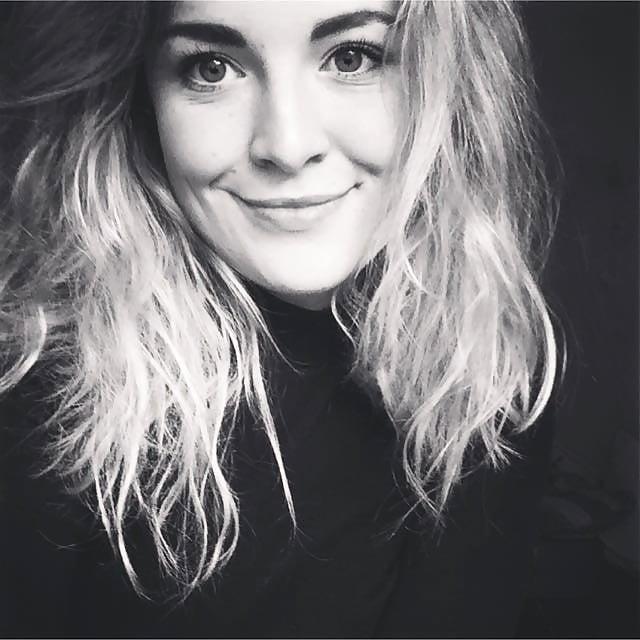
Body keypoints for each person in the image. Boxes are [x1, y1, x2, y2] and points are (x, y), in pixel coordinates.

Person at [0, 1, 561, 637]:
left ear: (449, 78)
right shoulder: (45, 403)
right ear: (141, 103)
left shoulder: (500, 355)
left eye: (352, 57)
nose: (288, 147)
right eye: (211, 68)